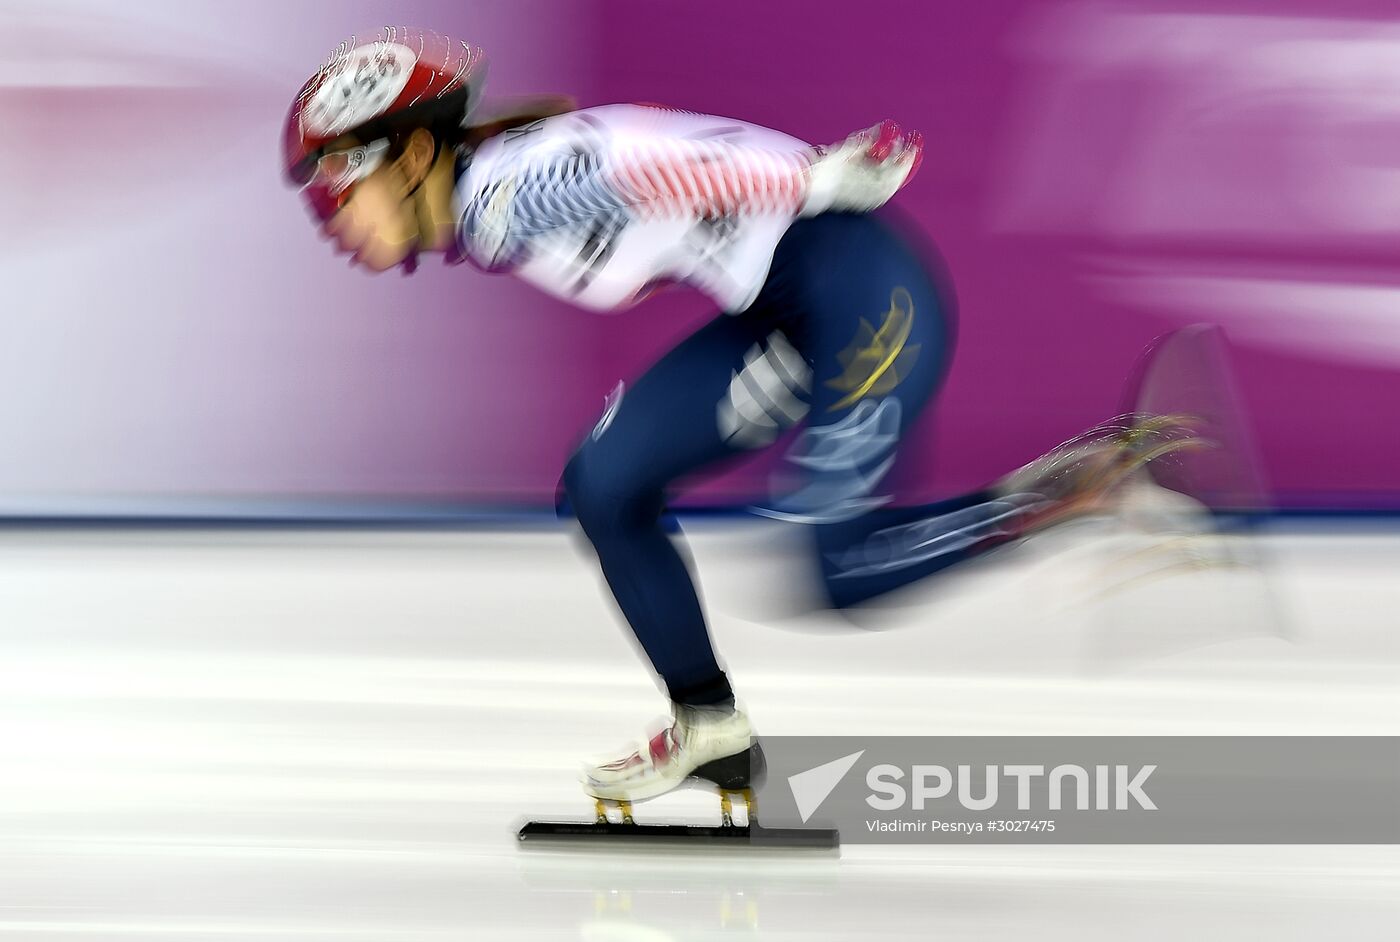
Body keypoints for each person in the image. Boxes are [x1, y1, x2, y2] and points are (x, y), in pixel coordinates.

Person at [283, 28, 1194, 815]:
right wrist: (801, 185)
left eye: (331, 179)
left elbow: (655, 165)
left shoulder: (505, 194)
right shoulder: (503, 186)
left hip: (862, 299)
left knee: (840, 570)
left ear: (406, 157)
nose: (326, 216)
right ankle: (708, 725)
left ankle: (1076, 492)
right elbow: (644, 160)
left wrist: (808, 177)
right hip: (787, 315)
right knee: (604, 485)